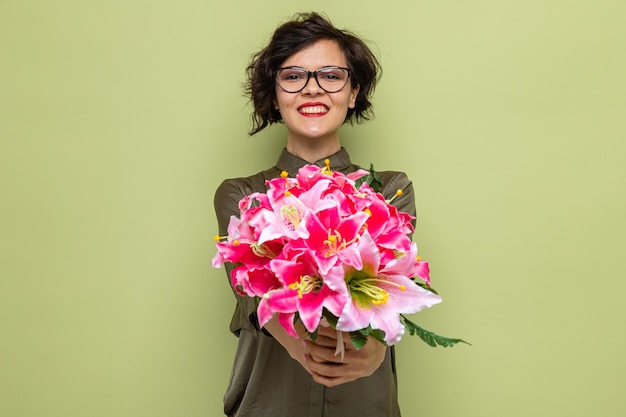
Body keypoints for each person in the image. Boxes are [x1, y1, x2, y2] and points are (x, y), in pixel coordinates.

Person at [214, 12, 416, 417]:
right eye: (293, 76)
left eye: (330, 75)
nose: (312, 90)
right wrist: (301, 346)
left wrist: (373, 352)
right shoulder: (242, 195)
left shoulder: (388, 190)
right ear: (274, 94)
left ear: (353, 92)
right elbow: (253, 296)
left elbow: (392, 289)